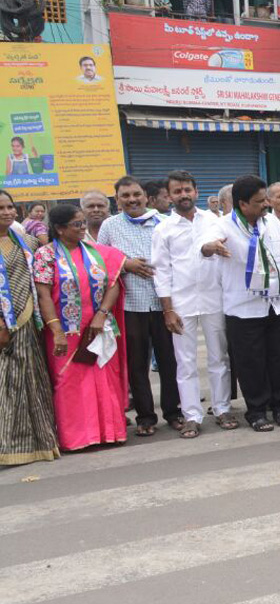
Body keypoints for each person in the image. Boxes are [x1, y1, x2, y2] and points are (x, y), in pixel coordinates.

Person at [202, 175, 280, 432]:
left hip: (278, 304)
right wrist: (211, 247)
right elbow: (206, 244)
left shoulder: (273, 224)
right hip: (244, 308)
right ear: (242, 204)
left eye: (266, 198)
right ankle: (256, 411)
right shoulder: (223, 226)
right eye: (259, 201)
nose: (266, 204)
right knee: (250, 362)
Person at [150, 170, 238, 438]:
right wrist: (168, 309)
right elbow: (161, 271)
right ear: (169, 196)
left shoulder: (213, 220)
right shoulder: (163, 229)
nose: (183, 195)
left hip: (214, 299)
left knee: (219, 358)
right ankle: (192, 415)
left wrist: (210, 248)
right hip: (181, 303)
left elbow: (213, 244)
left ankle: (222, 408)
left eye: (187, 189)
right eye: (177, 191)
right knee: (185, 362)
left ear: (196, 192)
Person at [33, 204, 128, 451]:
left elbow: (113, 283)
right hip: (65, 333)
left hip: (97, 329)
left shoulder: (96, 252)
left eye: (83, 222)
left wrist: (102, 314)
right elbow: (43, 295)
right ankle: (76, 439)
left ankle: (110, 432)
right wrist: (56, 331)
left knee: (103, 380)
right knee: (69, 385)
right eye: (77, 224)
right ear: (60, 229)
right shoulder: (46, 255)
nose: (83, 227)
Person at [98, 176, 182, 436]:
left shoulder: (165, 222)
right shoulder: (109, 227)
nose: (132, 200)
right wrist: (125, 265)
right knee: (137, 363)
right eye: (125, 196)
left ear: (146, 197)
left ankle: (174, 412)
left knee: (170, 360)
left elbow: (179, 258)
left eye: (136, 195)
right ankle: (146, 416)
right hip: (130, 305)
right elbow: (98, 261)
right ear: (117, 200)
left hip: (164, 303)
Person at [0, 191, 59, 465]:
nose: (6, 212)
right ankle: (7, 446)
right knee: (6, 384)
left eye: (10, 207)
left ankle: (39, 442)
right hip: (4, 327)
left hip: (29, 324)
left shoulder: (27, 241)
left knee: (33, 381)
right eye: (1, 208)